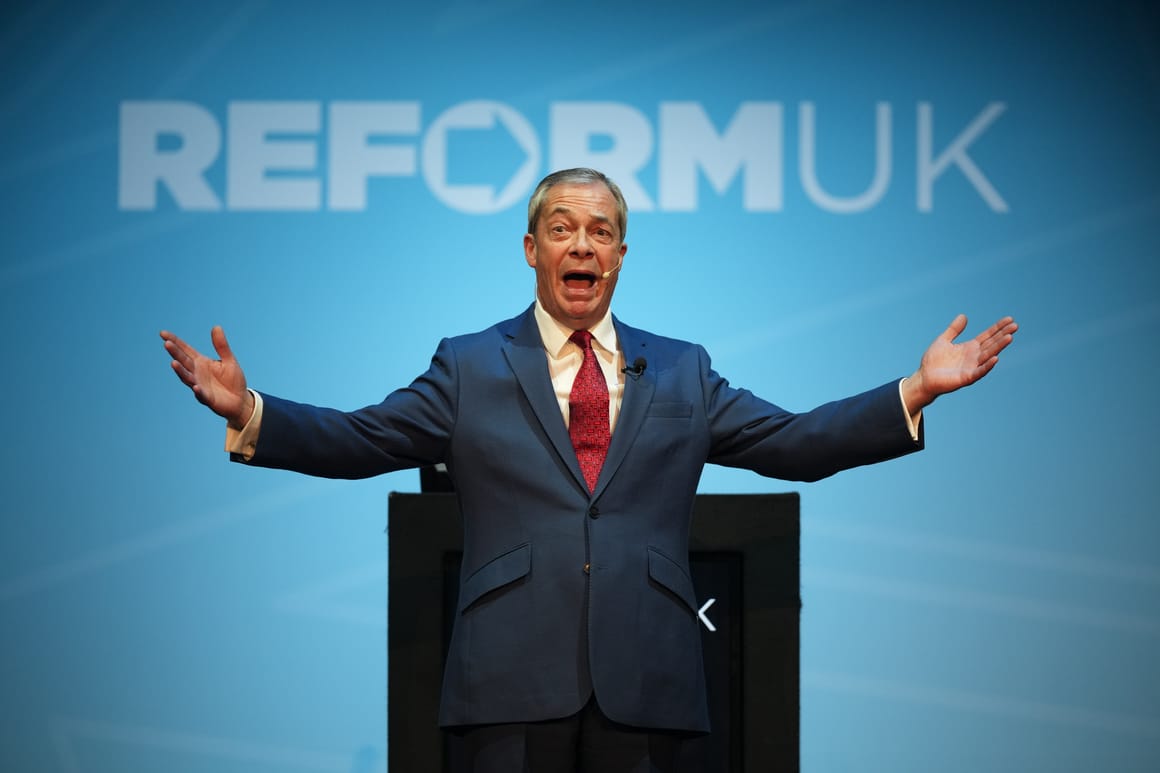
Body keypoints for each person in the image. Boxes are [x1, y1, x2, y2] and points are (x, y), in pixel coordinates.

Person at [161, 167, 1017, 773]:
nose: (584, 245)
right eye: (564, 228)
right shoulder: (469, 365)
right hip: (508, 680)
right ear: (531, 248)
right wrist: (251, 410)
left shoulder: (682, 368)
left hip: (648, 680)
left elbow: (796, 442)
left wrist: (914, 390)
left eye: (601, 231)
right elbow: (363, 439)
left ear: (621, 255)